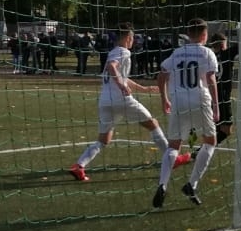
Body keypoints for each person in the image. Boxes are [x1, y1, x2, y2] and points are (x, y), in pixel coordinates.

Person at [69, 25, 186, 184]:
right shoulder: (123, 51)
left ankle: (79, 165)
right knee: (153, 123)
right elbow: (112, 67)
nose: (133, 41)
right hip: (121, 100)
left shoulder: (113, 52)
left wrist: (142, 88)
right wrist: (121, 86)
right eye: (132, 38)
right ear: (128, 38)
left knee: (104, 139)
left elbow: (121, 75)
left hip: (105, 101)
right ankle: (173, 159)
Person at [154, 19, 221, 207]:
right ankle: (192, 184)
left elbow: (161, 76)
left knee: (173, 145)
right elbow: (211, 79)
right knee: (210, 142)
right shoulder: (207, 53)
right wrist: (216, 106)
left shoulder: (177, 53)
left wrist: (164, 99)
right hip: (200, 100)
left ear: (188, 34)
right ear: (204, 35)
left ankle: (162, 184)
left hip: (179, 101)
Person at [209, 31, 236, 144]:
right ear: (222, 44)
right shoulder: (227, 53)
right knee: (226, 130)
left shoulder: (210, 56)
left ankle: (204, 150)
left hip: (212, 96)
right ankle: (200, 151)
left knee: (217, 129)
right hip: (223, 97)